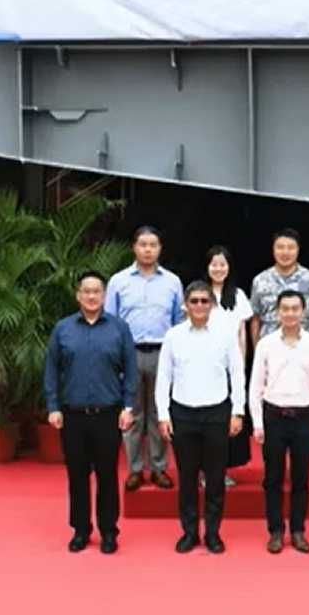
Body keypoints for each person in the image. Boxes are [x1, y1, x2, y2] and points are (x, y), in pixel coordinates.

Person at [44, 270, 138, 554]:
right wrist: (53, 406)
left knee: (107, 475)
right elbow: (51, 369)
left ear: (104, 295)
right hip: (72, 414)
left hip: (108, 413)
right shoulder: (63, 329)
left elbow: (131, 369)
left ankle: (109, 530)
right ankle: (81, 530)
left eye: (97, 291)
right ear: (78, 295)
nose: (91, 296)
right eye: (86, 291)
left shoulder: (119, 328)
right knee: (77, 475)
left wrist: (129, 406)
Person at [154, 282, 246, 554]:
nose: (199, 306)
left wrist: (237, 411)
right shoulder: (173, 336)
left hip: (217, 412)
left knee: (216, 478)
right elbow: (164, 377)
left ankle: (214, 533)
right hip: (182, 413)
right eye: (193, 301)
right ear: (185, 304)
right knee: (187, 477)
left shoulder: (225, 335)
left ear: (212, 305)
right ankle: (190, 532)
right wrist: (163, 413)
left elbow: (237, 374)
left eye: (204, 301)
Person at [250, 289, 309, 554]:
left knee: (301, 478)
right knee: (272, 478)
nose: (290, 313)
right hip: (274, 416)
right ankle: (275, 530)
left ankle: (298, 530)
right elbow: (256, 386)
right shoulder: (266, 343)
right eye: (285, 308)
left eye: (295, 308)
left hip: (304, 417)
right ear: (277, 311)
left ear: (304, 311)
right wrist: (257, 422)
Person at [106, 226, 181, 492]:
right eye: (143, 244)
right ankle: (136, 469)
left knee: (160, 412)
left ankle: (160, 468)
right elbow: (110, 322)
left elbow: (178, 322)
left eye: (153, 245)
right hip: (130, 352)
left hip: (162, 351)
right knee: (134, 413)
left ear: (160, 248)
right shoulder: (118, 281)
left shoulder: (172, 282)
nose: (148, 249)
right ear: (134, 248)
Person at [206, 245, 257, 485]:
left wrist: (241, 364)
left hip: (230, 367)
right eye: (214, 264)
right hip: (204, 366)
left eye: (222, 264)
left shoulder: (237, 295)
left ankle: (222, 469)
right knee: (207, 419)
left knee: (227, 419)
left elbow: (242, 334)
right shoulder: (198, 293)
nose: (218, 269)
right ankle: (205, 470)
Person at [251, 229, 309, 342]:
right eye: (280, 247)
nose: (285, 252)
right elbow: (255, 318)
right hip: (270, 347)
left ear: (298, 250)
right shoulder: (260, 280)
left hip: (304, 347)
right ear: (273, 249)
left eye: (291, 247)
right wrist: (257, 350)